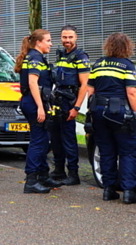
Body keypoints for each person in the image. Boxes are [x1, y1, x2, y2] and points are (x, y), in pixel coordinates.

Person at [86, 33, 136, 204]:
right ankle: (128, 191)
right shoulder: (127, 66)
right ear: (127, 47)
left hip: (98, 111)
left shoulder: (99, 64)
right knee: (127, 152)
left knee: (106, 151)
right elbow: (131, 92)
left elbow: (90, 90)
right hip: (120, 113)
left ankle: (108, 190)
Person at [16, 29, 57, 194]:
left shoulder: (35, 56)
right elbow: (33, 83)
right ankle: (31, 180)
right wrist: (40, 107)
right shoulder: (35, 57)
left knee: (42, 139)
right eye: (48, 40)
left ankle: (42, 175)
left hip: (33, 101)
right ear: (38, 42)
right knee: (38, 141)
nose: (51, 43)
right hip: (34, 103)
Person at [49, 25, 89, 186]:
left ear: (76, 37)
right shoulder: (60, 56)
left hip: (69, 101)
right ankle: (59, 170)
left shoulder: (80, 56)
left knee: (69, 139)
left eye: (70, 37)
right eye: (64, 37)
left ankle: (73, 174)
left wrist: (77, 108)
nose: (67, 41)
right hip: (57, 100)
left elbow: (85, 84)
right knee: (56, 138)